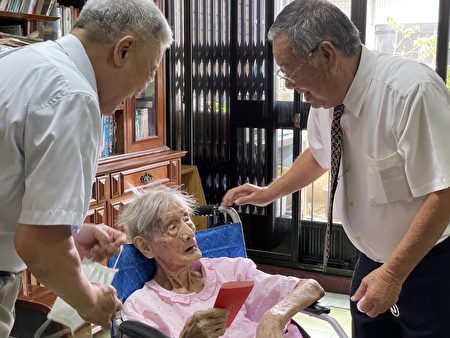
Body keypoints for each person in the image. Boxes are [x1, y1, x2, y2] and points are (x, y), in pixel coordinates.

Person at [222, 1, 450, 337]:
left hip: (428, 264)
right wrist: (270, 192)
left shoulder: (410, 92)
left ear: (327, 55)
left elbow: (443, 193)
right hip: (371, 260)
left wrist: (393, 274)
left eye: (291, 72)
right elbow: (319, 154)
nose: (289, 86)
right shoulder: (327, 97)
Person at [0, 0, 173, 335]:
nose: (138, 91)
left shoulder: (18, 60)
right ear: (124, 50)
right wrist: (92, 302)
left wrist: (70, 236)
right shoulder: (74, 95)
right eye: (148, 73)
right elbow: (39, 244)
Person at [119, 185, 324, 338]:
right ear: (146, 247)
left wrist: (276, 316)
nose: (189, 232)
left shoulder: (230, 271)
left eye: (187, 219)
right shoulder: (142, 307)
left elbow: (311, 287)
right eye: (172, 227)